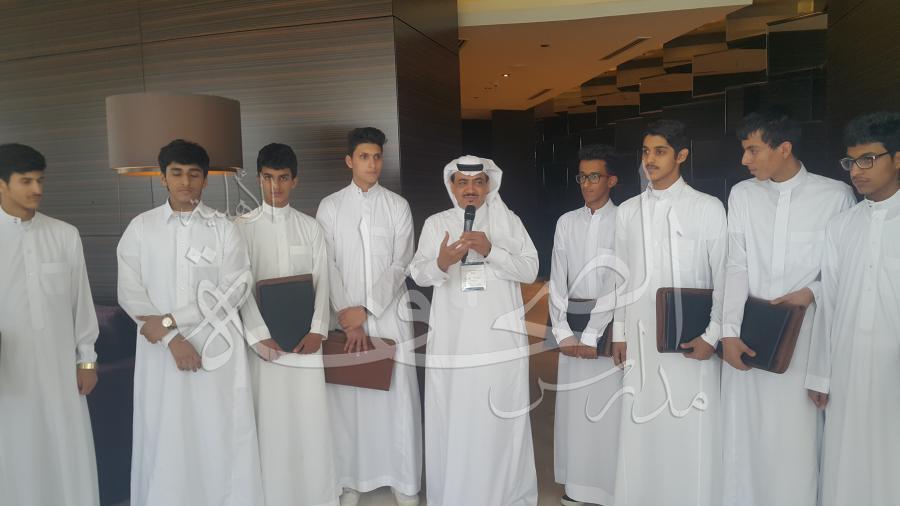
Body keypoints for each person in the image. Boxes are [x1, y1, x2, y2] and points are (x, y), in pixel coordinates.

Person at [116, 139, 263, 506]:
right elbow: (130, 292)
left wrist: (171, 320)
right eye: (177, 173)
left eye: (194, 174)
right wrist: (171, 338)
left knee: (218, 431)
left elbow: (235, 288)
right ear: (163, 178)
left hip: (216, 349)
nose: (185, 182)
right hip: (160, 353)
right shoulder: (141, 228)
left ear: (205, 180)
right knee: (164, 432)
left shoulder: (223, 228)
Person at [720, 109, 855, 506]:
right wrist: (728, 332)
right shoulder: (742, 194)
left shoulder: (835, 196)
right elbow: (735, 265)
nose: (744, 160)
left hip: (807, 338)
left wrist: (811, 291)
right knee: (743, 435)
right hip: (749, 333)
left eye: (753, 150)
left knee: (797, 438)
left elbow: (843, 269)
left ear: (784, 148)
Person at [409, 155, 539, 506]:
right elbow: (418, 273)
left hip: (500, 342)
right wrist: (442, 262)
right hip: (453, 342)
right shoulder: (437, 223)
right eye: (463, 182)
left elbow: (530, 269)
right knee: (456, 415)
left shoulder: (509, 222)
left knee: (497, 415)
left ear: (488, 185)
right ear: (452, 186)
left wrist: (491, 250)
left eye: (478, 182)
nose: (470, 189)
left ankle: (503, 494)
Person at [611, 120, 727, 506]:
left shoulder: (707, 207)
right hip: (640, 335)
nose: (650, 159)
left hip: (692, 339)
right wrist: (619, 332)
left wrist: (713, 334)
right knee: (641, 419)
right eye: (646, 151)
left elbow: (723, 276)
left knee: (689, 422)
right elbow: (621, 276)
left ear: (681, 155)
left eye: (660, 151)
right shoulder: (628, 211)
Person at [315, 127, 421, 506]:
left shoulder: (397, 206)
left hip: (389, 315)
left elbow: (401, 263)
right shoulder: (330, 207)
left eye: (377, 156)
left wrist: (368, 308)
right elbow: (326, 263)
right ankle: (351, 479)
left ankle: (402, 479)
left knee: (397, 395)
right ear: (349, 160)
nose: (372, 164)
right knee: (348, 398)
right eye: (364, 156)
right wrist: (349, 314)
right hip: (345, 319)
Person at [806, 111, 900, 506]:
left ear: (897, 158)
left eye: (868, 159)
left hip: (893, 370)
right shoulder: (841, 226)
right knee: (845, 463)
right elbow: (829, 301)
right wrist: (820, 373)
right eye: (851, 161)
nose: (856, 171)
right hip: (846, 369)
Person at [237, 143, 338, 506]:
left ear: (295, 181)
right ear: (259, 179)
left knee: (309, 416)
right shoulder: (241, 228)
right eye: (267, 178)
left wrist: (318, 329)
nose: (275, 186)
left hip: (305, 341)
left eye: (282, 178)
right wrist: (258, 337)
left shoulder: (310, 227)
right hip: (263, 345)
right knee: (269, 419)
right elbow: (240, 287)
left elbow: (323, 280)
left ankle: (316, 495)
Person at [0, 143, 100, 506]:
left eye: (40, 180)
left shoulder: (64, 234)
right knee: (14, 452)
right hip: (8, 373)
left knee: (65, 450)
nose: (37, 189)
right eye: (26, 181)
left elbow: (81, 303)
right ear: (2, 184)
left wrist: (86, 360)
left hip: (59, 370)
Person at [549, 144, 622, 506]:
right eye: (582, 176)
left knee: (607, 407)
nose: (587, 183)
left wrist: (593, 334)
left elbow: (617, 279)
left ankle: (610, 489)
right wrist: (561, 331)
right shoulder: (566, 222)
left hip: (610, 325)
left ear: (611, 180)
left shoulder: (624, 220)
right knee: (574, 409)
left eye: (595, 176)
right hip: (571, 324)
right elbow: (556, 277)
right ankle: (577, 487)